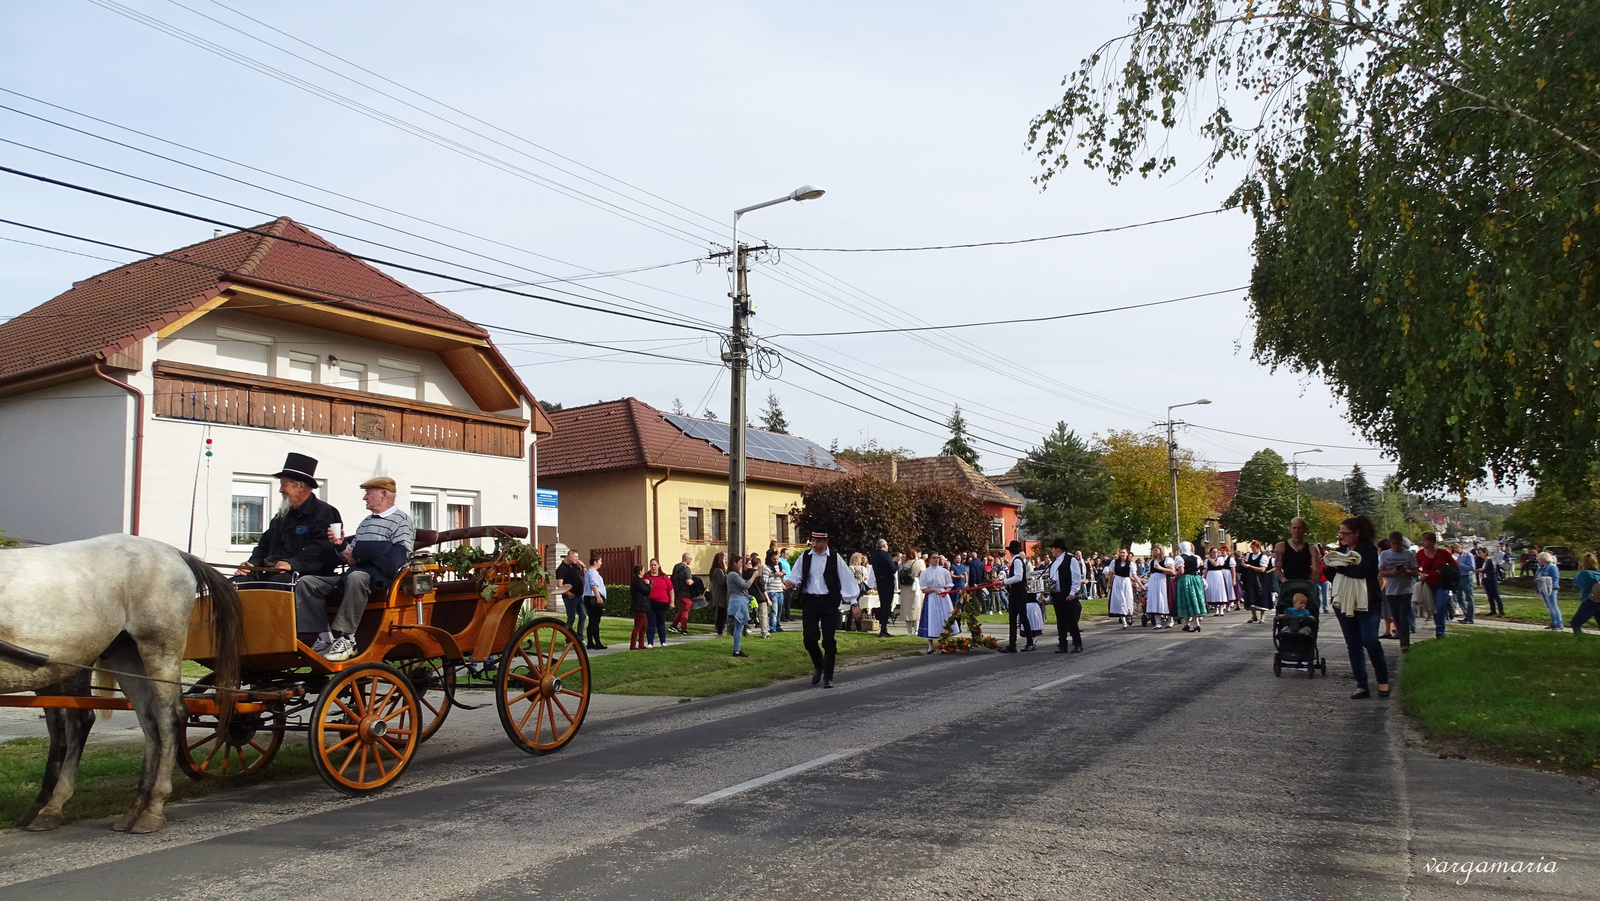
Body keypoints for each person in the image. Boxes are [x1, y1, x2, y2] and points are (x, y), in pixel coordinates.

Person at [294, 475, 412, 662]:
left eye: (368, 493)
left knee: (357, 577)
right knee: (306, 583)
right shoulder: (366, 522)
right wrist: (340, 545)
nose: (364, 498)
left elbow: (398, 559)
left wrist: (361, 554)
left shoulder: (402, 521)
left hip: (380, 579)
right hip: (354, 574)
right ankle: (324, 637)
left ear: (384, 494)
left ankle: (347, 638)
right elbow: (350, 556)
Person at [236, 452, 342, 584]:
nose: (280, 490)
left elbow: (321, 548)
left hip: (306, 576)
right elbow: (264, 545)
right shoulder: (282, 516)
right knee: (234, 584)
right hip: (273, 572)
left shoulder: (325, 513)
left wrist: (292, 564)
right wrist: (252, 564)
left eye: (284, 484)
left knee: (277, 584)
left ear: (300, 486)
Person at [784, 532, 859, 688]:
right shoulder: (805, 557)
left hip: (828, 601)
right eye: (813, 541)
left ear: (825, 541)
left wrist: (853, 602)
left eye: (818, 541)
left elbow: (846, 579)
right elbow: (796, 575)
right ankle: (819, 665)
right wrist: (792, 583)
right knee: (809, 638)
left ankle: (828, 676)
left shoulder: (834, 557)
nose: (815, 544)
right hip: (810, 601)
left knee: (828, 640)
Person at [1327, 516, 1389, 699]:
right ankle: (1361, 684)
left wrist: (1341, 567)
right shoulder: (1341, 551)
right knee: (1353, 644)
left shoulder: (1368, 550)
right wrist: (1336, 566)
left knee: (1370, 641)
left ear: (1357, 533)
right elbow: (1330, 572)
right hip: (1343, 602)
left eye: (1345, 533)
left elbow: (1364, 571)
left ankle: (1383, 681)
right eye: (1341, 533)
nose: (1341, 536)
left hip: (1367, 602)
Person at [1378, 532, 1418, 653]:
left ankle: (1404, 643)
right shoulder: (1385, 554)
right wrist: (1393, 573)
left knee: (1403, 617)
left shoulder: (1408, 554)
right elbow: (1382, 572)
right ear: (1390, 543)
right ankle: (1401, 635)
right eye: (1394, 543)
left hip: (1405, 589)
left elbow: (1416, 572)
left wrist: (1407, 571)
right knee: (1395, 617)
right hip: (1391, 590)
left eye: (1398, 543)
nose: (1396, 546)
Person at [1414, 531, 1455, 638]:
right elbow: (1414, 567)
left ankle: (1440, 631)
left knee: (1440, 606)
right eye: (1422, 541)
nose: (1423, 543)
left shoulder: (1443, 553)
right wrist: (1420, 573)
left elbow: (1454, 566)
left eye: (1425, 541)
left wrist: (1443, 570)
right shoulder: (1420, 554)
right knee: (1431, 608)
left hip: (1442, 583)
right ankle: (1438, 626)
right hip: (1427, 584)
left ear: (1432, 541)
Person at [1047, 538, 1083, 652]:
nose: (1052, 550)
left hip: (1067, 594)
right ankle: (1062, 644)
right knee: (1060, 620)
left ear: (1058, 549)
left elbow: (1076, 577)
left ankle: (1077, 643)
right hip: (1057, 594)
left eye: (1053, 548)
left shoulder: (1071, 559)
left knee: (1071, 620)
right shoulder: (1054, 562)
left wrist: (1073, 592)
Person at [917, 553, 956, 653]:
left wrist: (946, 591)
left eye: (937, 558)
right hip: (932, 598)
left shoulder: (944, 572)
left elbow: (949, 585)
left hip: (943, 598)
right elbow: (924, 589)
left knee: (943, 619)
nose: (936, 560)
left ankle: (943, 643)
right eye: (934, 558)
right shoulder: (925, 573)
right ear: (929, 560)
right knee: (931, 620)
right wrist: (934, 590)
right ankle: (930, 645)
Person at [1002, 540, 1033, 652]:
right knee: (1013, 618)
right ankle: (1012, 644)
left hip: (1019, 592)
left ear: (1010, 552)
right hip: (1015, 592)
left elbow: (1018, 577)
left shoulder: (1018, 561)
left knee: (1023, 617)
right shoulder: (1016, 561)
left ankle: (1030, 642)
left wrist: (1005, 581)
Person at [1173, 542, 1207, 632]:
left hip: (1185, 580)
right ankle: (1187, 624)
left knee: (1187, 601)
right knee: (1193, 600)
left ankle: (1195, 624)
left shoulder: (1179, 558)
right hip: (1196, 579)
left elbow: (1181, 571)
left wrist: (1174, 578)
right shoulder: (1197, 557)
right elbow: (1200, 566)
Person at [554, 550, 587, 639]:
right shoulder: (561, 568)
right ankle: (568, 638)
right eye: (576, 557)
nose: (577, 559)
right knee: (571, 618)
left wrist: (583, 566)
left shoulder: (575, 566)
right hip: (570, 597)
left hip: (579, 595)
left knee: (583, 615)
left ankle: (580, 637)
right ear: (570, 557)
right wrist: (568, 593)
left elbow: (584, 576)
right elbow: (559, 584)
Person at [725, 561, 754, 658]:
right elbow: (746, 586)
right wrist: (754, 576)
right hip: (738, 602)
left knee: (738, 627)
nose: (741, 564)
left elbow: (743, 583)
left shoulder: (735, 575)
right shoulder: (733, 574)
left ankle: (737, 649)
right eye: (740, 562)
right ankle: (736, 650)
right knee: (738, 627)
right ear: (734, 563)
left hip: (737, 601)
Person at [1240, 541, 1274, 623]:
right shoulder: (1249, 555)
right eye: (1252, 548)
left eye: (1254, 548)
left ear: (1258, 548)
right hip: (1250, 578)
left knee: (1261, 595)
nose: (1253, 550)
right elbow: (1246, 565)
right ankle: (1253, 616)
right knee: (1251, 596)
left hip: (1260, 578)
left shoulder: (1263, 557)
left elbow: (1262, 569)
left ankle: (1262, 616)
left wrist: (1250, 566)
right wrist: (1244, 565)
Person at [643, 558, 673, 648]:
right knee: (651, 623)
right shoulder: (646, 576)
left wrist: (672, 602)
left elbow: (671, 590)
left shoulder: (664, 577)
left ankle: (663, 641)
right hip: (650, 603)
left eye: (655, 565)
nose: (653, 567)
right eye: (651, 565)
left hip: (662, 603)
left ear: (658, 566)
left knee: (661, 623)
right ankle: (650, 642)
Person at [669, 553, 703, 634]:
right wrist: (695, 583)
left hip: (677, 592)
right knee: (686, 610)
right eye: (690, 559)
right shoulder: (686, 569)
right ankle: (684, 629)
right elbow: (689, 582)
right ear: (687, 559)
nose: (691, 561)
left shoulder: (676, 567)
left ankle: (673, 626)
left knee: (682, 609)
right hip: (685, 593)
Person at [1106, 547, 1140, 628]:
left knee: (1128, 599)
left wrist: (1139, 584)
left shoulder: (1131, 564)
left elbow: (1134, 575)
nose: (1122, 554)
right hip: (1117, 581)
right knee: (1120, 600)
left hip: (1126, 581)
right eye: (1121, 552)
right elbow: (1111, 573)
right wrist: (1110, 583)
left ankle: (1128, 615)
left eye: (1123, 553)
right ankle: (1123, 620)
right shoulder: (1115, 562)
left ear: (1127, 554)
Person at [1144, 544, 1175, 629]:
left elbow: (1172, 571)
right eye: (1154, 550)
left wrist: (1161, 568)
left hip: (1164, 582)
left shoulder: (1167, 560)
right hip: (1154, 583)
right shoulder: (1151, 561)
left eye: (1157, 550)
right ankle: (1158, 622)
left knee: (1166, 600)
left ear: (1161, 551)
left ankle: (1170, 621)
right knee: (1155, 601)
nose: (1155, 552)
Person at [582, 553, 607, 650]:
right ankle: (597, 643)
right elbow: (594, 585)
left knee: (592, 620)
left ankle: (590, 642)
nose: (601, 563)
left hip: (589, 597)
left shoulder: (588, 572)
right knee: (595, 621)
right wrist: (598, 597)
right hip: (593, 597)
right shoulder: (593, 572)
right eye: (600, 561)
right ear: (595, 562)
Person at [899, 546, 926, 636]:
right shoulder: (919, 562)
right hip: (915, 587)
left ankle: (909, 631)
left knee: (906, 609)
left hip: (904, 587)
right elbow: (924, 574)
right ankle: (916, 630)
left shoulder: (901, 564)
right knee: (916, 608)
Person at [1570, 553, 1600, 634]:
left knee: (1575, 623)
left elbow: (1575, 582)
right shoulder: (1598, 572)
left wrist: (1580, 571)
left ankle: (1581, 641)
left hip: (1590, 601)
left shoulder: (1585, 574)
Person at [1536, 551, 1564, 630]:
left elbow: (1555, 578)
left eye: (1539, 559)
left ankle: (1559, 624)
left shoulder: (1552, 567)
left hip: (1551, 589)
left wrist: (1544, 580)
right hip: (1542, 588)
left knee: (1553, 606)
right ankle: (1553, 622)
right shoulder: (1540, 568)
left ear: (1544, 559)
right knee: (1548, 606)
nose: (1538, 560)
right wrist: (1537, 590)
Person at [762, 549, 787, 634]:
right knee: (774, 611)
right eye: (774, 559)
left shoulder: (779, 566)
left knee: (779, 611)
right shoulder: (767, 569)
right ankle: (772, 627)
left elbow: (782, 580)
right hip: (772, 592)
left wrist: (783, 575)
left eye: (777, 559)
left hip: (780, 591)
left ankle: (778, 626)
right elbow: (765, 581)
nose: (776, 561)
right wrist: (774, 577)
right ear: (770, 559)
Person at [1452, 543, 1478, 623]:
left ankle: (1470, 618)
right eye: (1454, 548)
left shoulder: (1468, 555)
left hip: (1466, 577)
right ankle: (1467, 615)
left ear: (1461, 547)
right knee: (1459, 598)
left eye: (1457, 547)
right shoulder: (1459, 557)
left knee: (1469, 598)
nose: (1455, 549)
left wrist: (1459, 564)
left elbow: (1472, 568)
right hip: (1459, 577)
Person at [628, 565, 652, 650]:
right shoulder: (637, 581)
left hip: (641, 606)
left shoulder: (638, 581)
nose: (644, 572)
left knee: (644, 626)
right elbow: (646, 591)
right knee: (638, 626)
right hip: (639, 606)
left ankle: (641, 644)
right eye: (643, 570)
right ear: (640, 572)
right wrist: (649, 585)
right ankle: (633, 645)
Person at [1478, 547, 1505, 617]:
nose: (1480, 554)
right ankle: (1493, 610)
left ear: (1485, 553)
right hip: (1486, 580)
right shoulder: (1485, 562)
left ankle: (1501, 611)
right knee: (1490, 596)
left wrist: (1483, 570)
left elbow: (1493, 572)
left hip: (1492, 581)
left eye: (1481, 553)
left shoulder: (1490, 561)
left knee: (1496, 596)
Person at [708, 552, 729, 637]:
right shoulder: (718, 571)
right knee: (721, 613)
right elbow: (723, 582)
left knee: (721, 612)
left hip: (718, 594)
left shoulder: (715, 570)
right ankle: (720, 630)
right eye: (725, 559)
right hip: (720, 594)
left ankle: (720, 629)